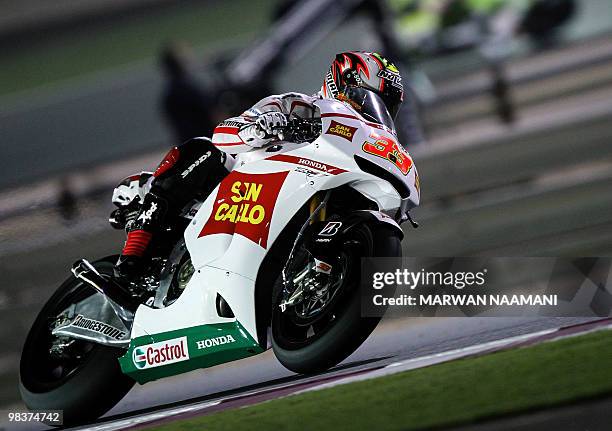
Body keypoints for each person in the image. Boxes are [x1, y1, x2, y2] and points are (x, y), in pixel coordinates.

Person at [114, 51, 406, 289]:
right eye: (369, 97)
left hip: (271, 206)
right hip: (233, 191)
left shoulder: (361, 136)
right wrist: (261, 126)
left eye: (386, 105)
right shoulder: (303, 105)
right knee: (204, 150)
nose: (376, 108)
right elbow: (225, 133)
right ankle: (133, 255)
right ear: (344, 85)